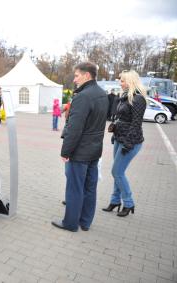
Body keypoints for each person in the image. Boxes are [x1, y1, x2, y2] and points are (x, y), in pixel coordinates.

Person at [52, 62, 108, 232]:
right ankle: (85, 222)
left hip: (80, 151)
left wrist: (66, 151)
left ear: (87, 75)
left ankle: (70, 223)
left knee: (75, 188)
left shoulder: (83, 96)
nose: (74, 79)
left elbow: (75, 128)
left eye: (77, 75)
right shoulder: (102, 93)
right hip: (94, 149)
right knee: (90, 188)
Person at [102, 70, 147, 217]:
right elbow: (122, 118)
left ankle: (129, 203)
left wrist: (128, 144)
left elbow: (136, 124)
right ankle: (115, 201)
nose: (119, 83)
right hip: (119, 138)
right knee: (118, 173)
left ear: (130, 81)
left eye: (122, 80)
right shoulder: (125, 96)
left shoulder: (138, 99)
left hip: (130, 141)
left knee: (117, 172)